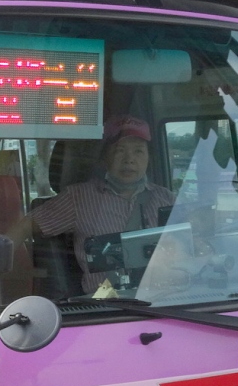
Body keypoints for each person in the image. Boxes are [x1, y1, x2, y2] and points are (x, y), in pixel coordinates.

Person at [13, 115, 175, 294]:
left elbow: (184, 251)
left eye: (138, 151)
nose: (129, 159)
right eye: (120, 150)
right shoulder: (78, 198)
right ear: (105, 157)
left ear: (149, 157)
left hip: (164, 297)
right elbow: (25, 226)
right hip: (106, 303)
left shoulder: (166, 199)